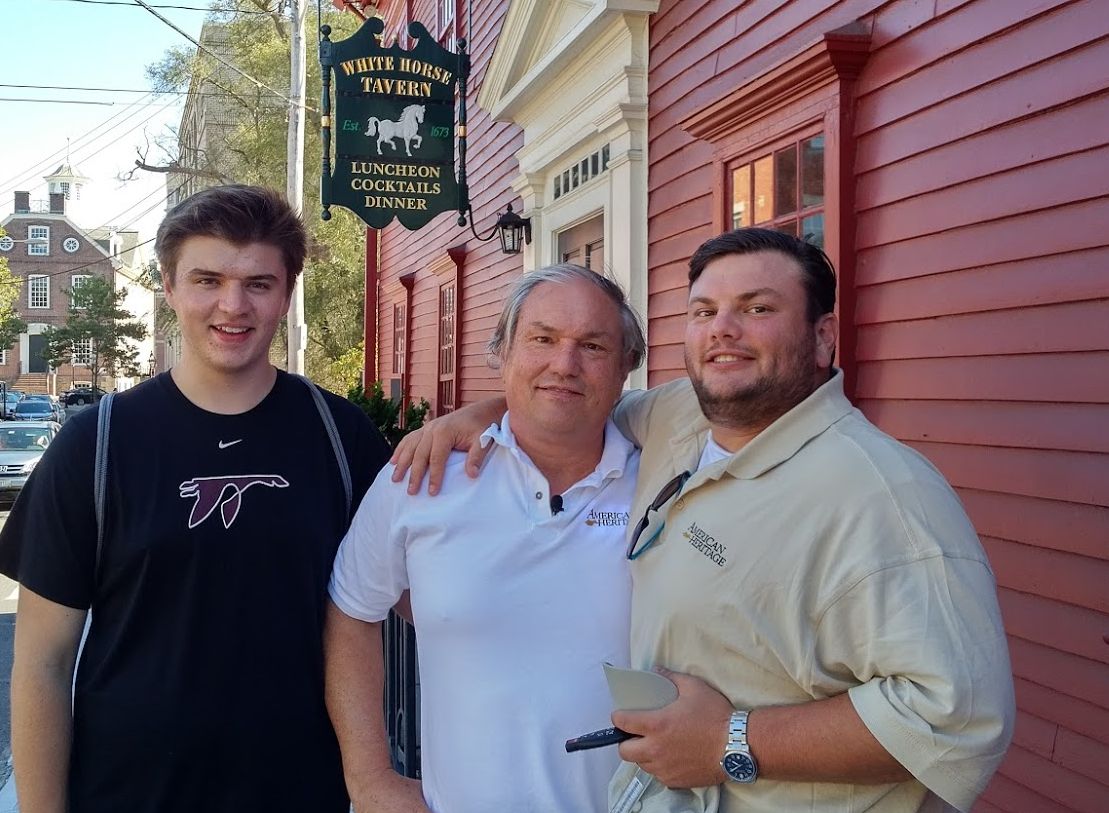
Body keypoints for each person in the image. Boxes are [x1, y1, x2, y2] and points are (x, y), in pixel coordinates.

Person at [391, 228, 1015, 812]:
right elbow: (571, 394)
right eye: (703, 311)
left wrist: (730, 740)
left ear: (824, 338)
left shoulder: (883, 497)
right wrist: (483, 412)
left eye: (758, 309)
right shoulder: (679, 418)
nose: (724, 330)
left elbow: (955, 720)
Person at [0, 185, 391, 813]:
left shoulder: (341, 439)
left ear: (287, 292)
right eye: (207, 279)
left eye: (259, 284)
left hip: (302, 789)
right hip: (129, 793)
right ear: (169, 285)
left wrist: (481, 421)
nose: (232, 306)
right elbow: (43, 664)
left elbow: (414, 599)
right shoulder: (94, 445)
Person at [324, 264, 646, 813]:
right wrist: (370, 778)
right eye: (542, 339)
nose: (564, 364)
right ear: (501, 351)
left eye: (592, 346)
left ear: (624, 369)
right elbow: (352, 609)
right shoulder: (422, 478)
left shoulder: (667, 477)